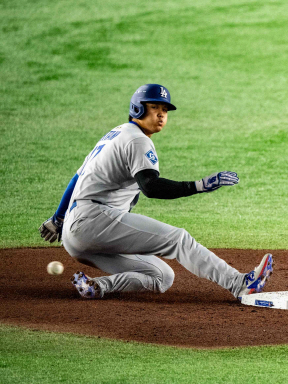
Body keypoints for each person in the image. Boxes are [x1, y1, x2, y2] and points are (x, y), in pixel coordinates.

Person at [38, 84, 273, 300]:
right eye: (154, 108)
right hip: (95, 220)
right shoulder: (137, 140)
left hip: (77, 236)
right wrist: (199, 186)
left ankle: (97, 286)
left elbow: (77, 177)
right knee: (179, 239)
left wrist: (58, 218)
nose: (161, 114)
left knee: (162, 276)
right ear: (137, 109)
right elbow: (150, 186)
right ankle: (239, 283)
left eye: (165, 110)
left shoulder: (116, 133)